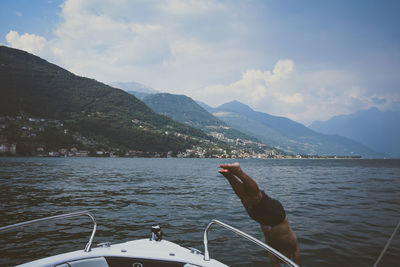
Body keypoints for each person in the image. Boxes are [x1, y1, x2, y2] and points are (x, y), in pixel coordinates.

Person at [219, 163, 301, 267]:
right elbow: (297, 254)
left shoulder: (271, 248)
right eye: (284, 258)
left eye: (281, 259)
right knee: (256, 197)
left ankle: (228, 175)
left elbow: (275, 263)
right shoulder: (292, 244)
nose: (282, 257)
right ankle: (239, 172)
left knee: (246, 199)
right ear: (289, 255)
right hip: (277, 216)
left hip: (262, 219)